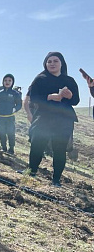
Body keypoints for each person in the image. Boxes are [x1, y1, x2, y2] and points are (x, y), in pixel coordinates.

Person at [26, 52, 79, 187]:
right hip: (44, 117)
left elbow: (76, 101)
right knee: (37, 144)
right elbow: (34, 98)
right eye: (49, 61)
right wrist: (50, 97)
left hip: (64, 119)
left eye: (55, 61)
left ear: (61, 63)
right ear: (45, 64)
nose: (52, 64)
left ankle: (56, 180)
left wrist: (70, 95)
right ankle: (31, 172)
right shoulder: (40, 79)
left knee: (59, 149)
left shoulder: (69, 81)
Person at [0, 74, 22, 154]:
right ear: (3, 82)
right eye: (5, 80)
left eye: (9, 81)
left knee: (10, 133)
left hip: (10, 117)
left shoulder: (15, 94)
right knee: (2, 133)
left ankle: (11, 149)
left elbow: (19, 104)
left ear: (12, 82)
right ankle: (3, 147)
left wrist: (15, 109)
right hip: (0, 117)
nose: (7, 82)